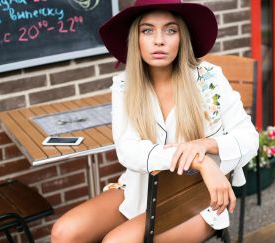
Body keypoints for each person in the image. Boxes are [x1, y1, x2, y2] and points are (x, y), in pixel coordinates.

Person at [51, 0, 259, 242]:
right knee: (63, 232)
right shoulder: (123, 86)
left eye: (170, 30)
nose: (158, 40)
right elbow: (128, 150)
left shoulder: (208, 78)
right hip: (140, 189)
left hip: (198, 196)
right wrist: (198, 161)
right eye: (147, 30)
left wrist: (203, 145)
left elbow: (248, 137)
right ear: (135, 38)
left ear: (182, 37)